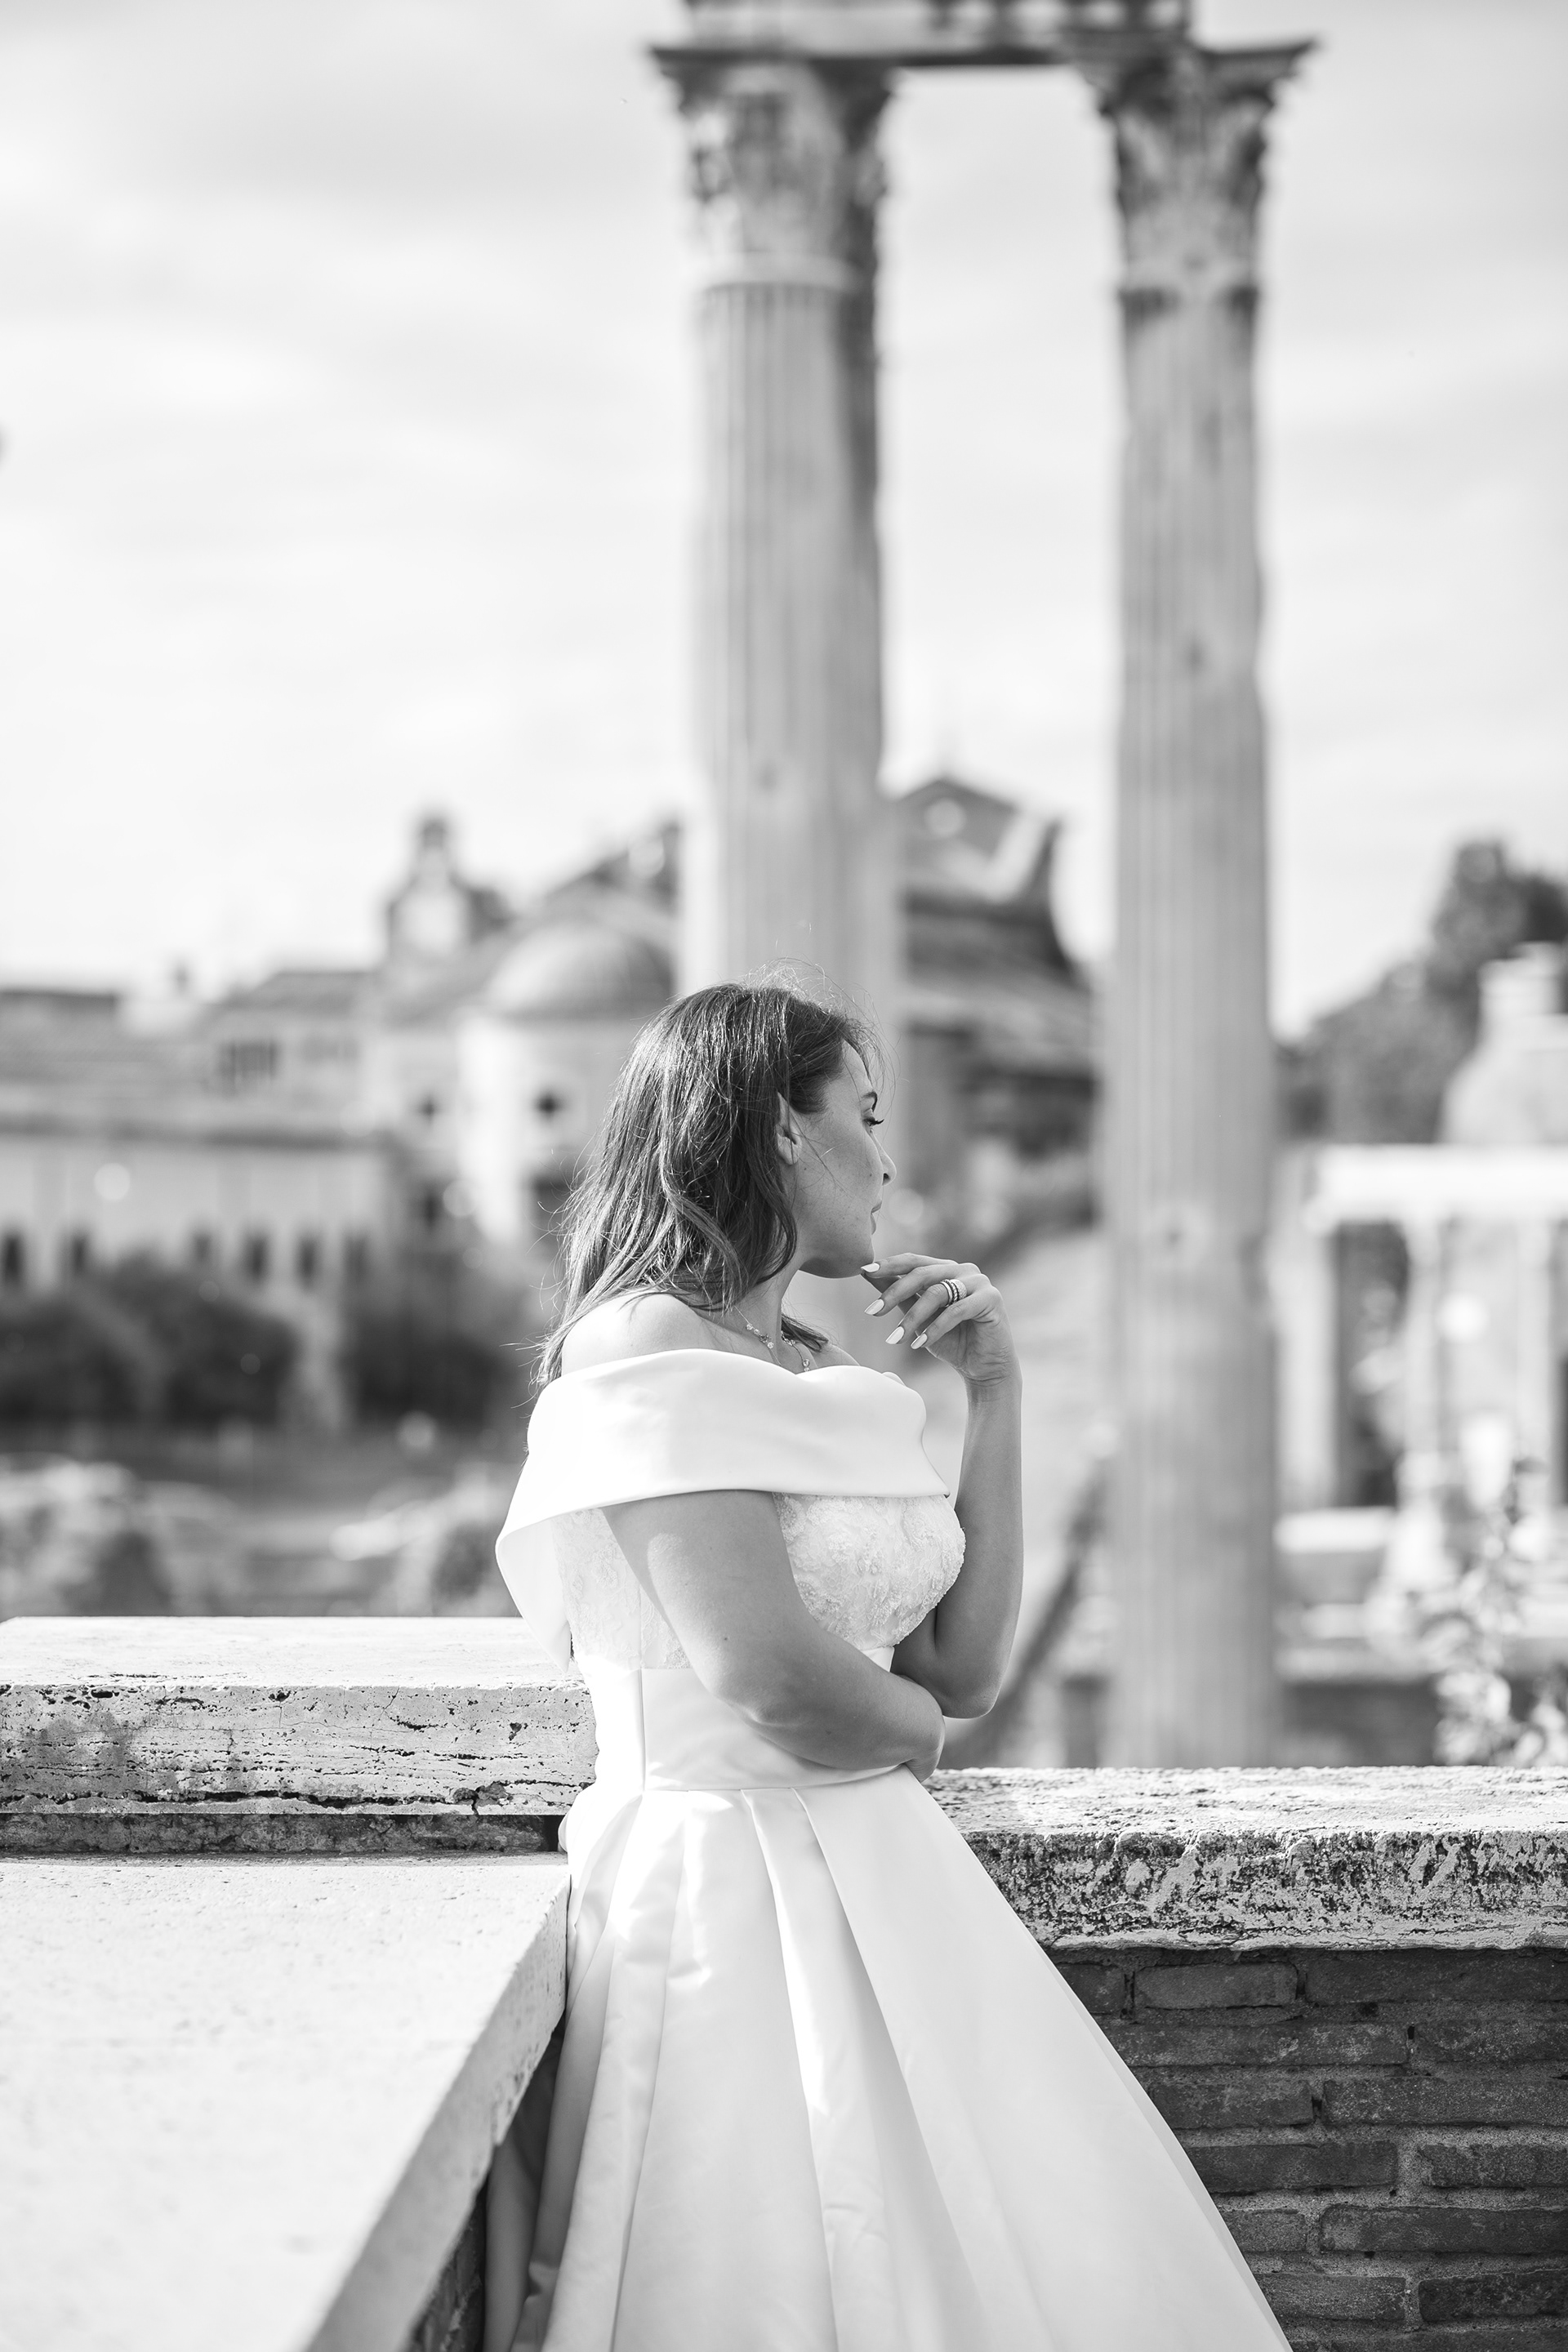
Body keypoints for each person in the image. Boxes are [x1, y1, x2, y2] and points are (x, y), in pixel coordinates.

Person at [490, 980, 1287, 2352]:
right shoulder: (640, 1342)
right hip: (725, 1889)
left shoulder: (813, 1366)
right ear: (780, 1131)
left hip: (895, 1880)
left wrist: (996, 1389)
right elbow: (768, 1677)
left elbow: (965, 1666)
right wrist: (916, 1737)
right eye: (864, 1115)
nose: (889, 1158)